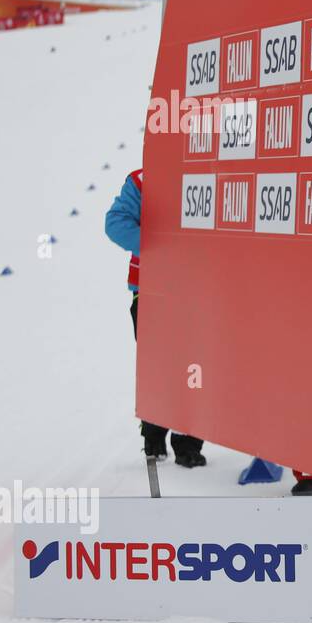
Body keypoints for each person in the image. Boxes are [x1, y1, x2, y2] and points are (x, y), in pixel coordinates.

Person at [104, 170, 207, 468]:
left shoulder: (211, 174)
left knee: (194, 364)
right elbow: (115, 224)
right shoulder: (143, 180)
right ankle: (153, 433)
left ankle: (188, 442)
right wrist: (163, 244)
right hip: (150, 292)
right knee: (158, 365)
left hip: (199, 293)